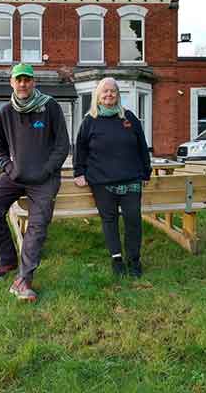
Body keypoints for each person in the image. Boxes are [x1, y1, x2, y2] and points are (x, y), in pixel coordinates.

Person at [0, 63, 70, 302]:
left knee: (37, 225)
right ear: (12, 82)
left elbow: (63, 146)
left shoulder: (50, 107)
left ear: (34, 82)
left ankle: (24, 279)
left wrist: (47, 170)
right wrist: (9, 168)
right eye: (18, 80)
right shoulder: (5, 112)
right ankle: (7, 259)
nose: (23, 84)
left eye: (27, 80)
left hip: (44, 180)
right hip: (15, 176)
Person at [73, 77, 151, 277]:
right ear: (98, 95)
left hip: (131, 179)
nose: (109, 94)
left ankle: (134, 260)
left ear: (118, 94)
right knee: (110, 220)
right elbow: (79, 148)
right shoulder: (89, 120)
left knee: (133, 220)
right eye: (105, 91)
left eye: (113, 91)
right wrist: (79, 172)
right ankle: (117, 259)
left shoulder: (129, 118)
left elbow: (142, 146)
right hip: (101, 181)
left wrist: (146, 171)